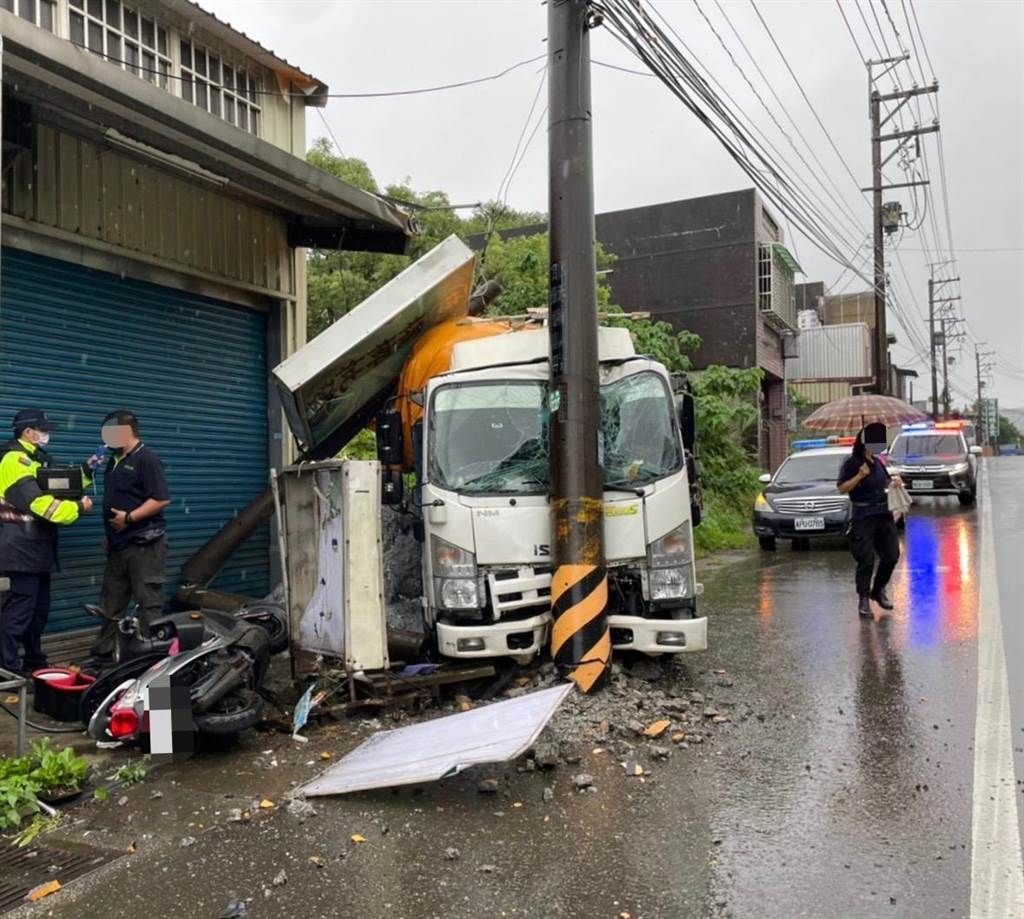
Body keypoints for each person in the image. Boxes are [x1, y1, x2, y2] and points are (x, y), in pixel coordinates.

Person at [0, 409, 93, 674]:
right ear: (28, 432)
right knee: (19, 613)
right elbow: (39, 504)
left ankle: (33, 661)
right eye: (42, 430)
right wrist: (78, 508)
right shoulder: (14, 460)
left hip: (37, 549)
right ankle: (8, 668)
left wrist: (87, 470)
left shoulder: (35, 459)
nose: (46, 434)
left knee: (37, 613)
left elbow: (61, 485)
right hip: (19, 549)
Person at [90, 410, 171, 658]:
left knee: (148, 602)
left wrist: (128, 518)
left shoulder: (146, 458)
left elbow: (160, 499)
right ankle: (104, 652)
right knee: (111, 601)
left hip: (144, 543)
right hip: (118, 545)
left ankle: (150, 656)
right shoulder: (114, 461)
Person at [837, 425, 901, 619]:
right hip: (863, 516)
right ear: (864, 442)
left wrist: (895, 482)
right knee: (866, 560)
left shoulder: (879, 462)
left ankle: (878, 590)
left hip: (883, 514)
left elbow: (886, 482)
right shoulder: (852, 463)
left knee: (891, 556)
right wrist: (859, 475)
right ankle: (864, 599)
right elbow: (842, 488)